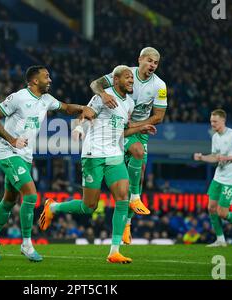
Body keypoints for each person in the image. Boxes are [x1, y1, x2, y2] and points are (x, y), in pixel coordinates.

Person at [39, 66, 156, 263]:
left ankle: (114, 251)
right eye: (127, 77)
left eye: (132, 79)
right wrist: (78, 128)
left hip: (114, 156)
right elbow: (85, 114)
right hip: (93, 155)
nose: (131, 81)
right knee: (89, 206)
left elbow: (121, 130)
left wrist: (141, 127)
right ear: (116, 80)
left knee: (122, 198)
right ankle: (53, 208)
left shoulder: (129, 103)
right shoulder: (103, 97)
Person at [0, 65, 92, 262]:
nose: (50, 80)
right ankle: (26, 244)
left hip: (25, 156)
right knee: (31, 195)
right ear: (34, 80)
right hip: (9, 153)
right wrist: (12, 139)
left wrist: (84, 108)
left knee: (9, 200)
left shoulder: (46, 100)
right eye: (46, 76)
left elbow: (66, 108)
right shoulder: (18, 97)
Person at [90, 47, 167, 244]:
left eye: (156, 63)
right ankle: (135, 197)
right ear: (140, 59)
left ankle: (127, 225)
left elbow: (159, 116)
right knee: (137, 154)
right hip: (118, 128)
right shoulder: (125, 74)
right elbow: (95, 84)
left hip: (138, 129)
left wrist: (137, 125)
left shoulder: (160, 85)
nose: (152, 66)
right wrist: (103, 95)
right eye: (149, 61)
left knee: (138, 174)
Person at [193, 109, 232, 247]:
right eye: (211, 121)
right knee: (211, 208)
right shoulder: (215, 137)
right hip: (219, 177)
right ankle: (220, 240)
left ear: (223, 120)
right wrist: (202, 157)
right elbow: (215, 157)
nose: (212, 124)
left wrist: (228, 158)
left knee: (222, 212)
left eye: (215, 121)